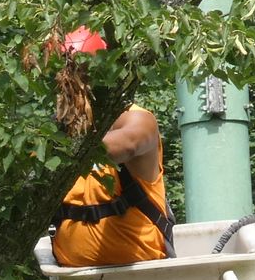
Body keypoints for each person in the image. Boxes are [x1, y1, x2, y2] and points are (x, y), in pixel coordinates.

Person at [50, 105, 174, 266]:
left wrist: (58, 141)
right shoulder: (55, 127)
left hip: (144, 273)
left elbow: (128, 145)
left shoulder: (140, 119)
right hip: (71, 276)